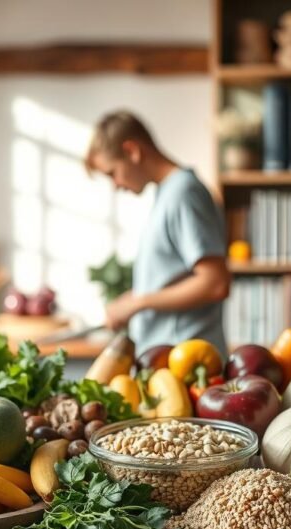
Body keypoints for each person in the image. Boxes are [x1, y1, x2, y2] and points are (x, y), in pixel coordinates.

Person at [84, 110, 231, 357]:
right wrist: (131, 299)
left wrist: (139, 302)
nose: (115, 185)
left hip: (189, 364)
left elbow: (215, 283)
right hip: (171, 360)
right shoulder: (168, 194)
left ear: (132, 151)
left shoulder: (184, 194)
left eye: (112, 173)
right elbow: (175, 278)